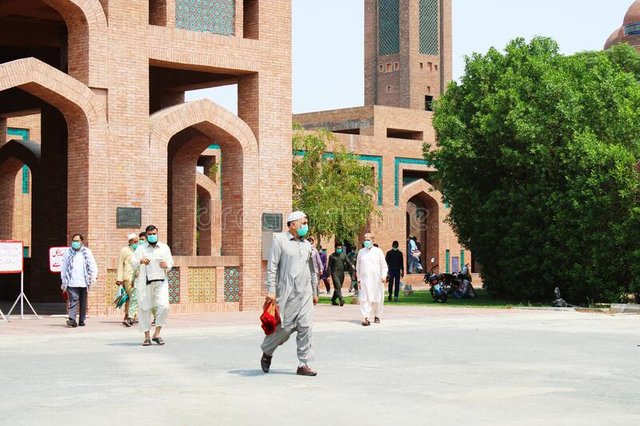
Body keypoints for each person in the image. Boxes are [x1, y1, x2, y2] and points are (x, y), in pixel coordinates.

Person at [260, 211, 319, 376]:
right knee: (284, 330)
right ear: (293, 224)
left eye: (306, 223)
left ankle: (303, 364)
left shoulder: (307, 245)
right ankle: (267, 352)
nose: (305, 226)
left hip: (305, 294)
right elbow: (272, 267)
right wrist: (271, 290)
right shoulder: (280, 240)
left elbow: (312, 270)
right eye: (303, 222)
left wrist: (314, 291)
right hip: (287, 294)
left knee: (306, 327)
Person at [131, 225, 174, 346]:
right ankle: (146, 336)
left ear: (157, 233)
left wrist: (167, 265)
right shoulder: (141, 249)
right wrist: (141, 261)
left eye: (154, 233)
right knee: (145, 307)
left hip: (161, 281)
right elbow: (133, 263)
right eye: (150, 234)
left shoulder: (164, 248)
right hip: (145, 282)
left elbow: (170, 263)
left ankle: (157, 333)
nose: (152, 236)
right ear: (146, 235)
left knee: (164, 306)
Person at [60, 234, 98, 327]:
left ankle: (82, 320)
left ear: (81, 241)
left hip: (84, 281)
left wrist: (94, 276)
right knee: (74, 299)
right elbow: (64, 266)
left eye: (77, 241)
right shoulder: (68, 252)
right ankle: (72, 319)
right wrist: (63, 279)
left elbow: (92, 264)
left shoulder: (87, 252)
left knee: (83, 301)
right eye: (74, 240)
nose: (75, 243)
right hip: (71, 281)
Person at [356, 233, 388, 326]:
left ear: (373, 241)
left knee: (377, 299)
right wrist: (358, 279)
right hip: (364, 280)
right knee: (364, 299)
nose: (366, 241)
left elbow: (384, 266)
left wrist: (383, 276)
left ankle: (377, 315)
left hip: (376, 281)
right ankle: (366, 318)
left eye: (368, 240)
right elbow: (358, 266)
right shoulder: (361, 252)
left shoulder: (378, 251)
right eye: (365, 239)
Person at [116, 233, 139, 327]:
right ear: (130, 242)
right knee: (135, 296)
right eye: (135, 242)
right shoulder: (124, 250)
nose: (136, 243)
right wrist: (119, 278)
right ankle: (131, 316)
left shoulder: (139, 251)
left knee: (130, 298)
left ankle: (127, 316)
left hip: (137, 277)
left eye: (137, 242)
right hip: (128, 278)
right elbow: (120, 264)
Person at [328, 241, 354, 306]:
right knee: (338, 287)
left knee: (338, 288)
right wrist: (328, 275)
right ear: (335, 248)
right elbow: (329, 266)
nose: (339, 249)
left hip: (341, 274)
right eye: (338, 248)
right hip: (334, 274)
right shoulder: (332, 256)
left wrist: (352, 265)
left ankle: (333, 300)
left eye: (340, 248)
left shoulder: (343, 255)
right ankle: (341, 299)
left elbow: (348, 261)